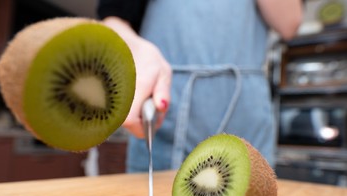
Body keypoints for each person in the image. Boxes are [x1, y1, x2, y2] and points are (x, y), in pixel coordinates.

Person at [97, 0, 303, 172]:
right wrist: (135, 49)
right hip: (167, 108)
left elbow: (288, 24)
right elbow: (112, 19)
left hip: (245, 114)